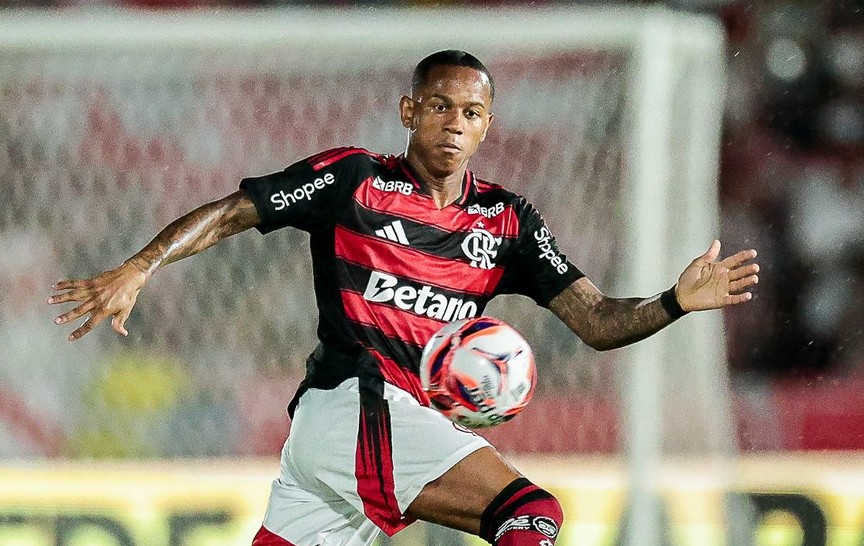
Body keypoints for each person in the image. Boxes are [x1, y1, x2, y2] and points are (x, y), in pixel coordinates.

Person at [49, 50, 759, 545]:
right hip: (354, 404)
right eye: (440, 106)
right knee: (530, 514)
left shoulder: (506, 221)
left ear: (487, 124)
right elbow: (238, 210)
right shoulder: (355, 179)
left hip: (365, 432)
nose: (454, 123)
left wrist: (674, 301)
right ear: (409, 110)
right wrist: (142, 265)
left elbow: (597, 321)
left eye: (471, 112)